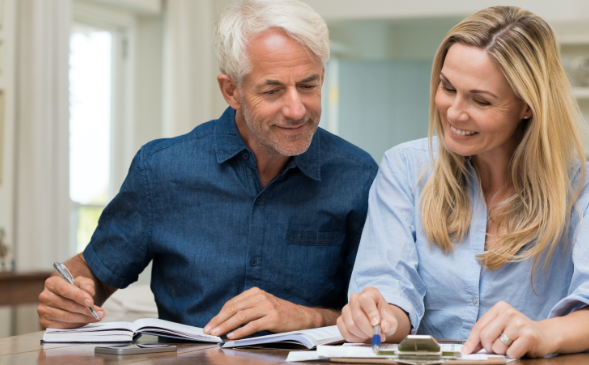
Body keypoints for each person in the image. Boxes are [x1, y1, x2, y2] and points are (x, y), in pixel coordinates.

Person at [38, 0, 378, 340]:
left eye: (308, 85)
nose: (296, 109)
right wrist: (69, 297)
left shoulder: (357, 176)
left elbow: (377, 315)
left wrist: (302, 317)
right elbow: (95, 275)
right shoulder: (160, 169)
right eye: (272, 90)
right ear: (231, 91)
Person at [338, 6, 589, 359]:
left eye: (481, 100)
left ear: (528, 106)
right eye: (447, 87)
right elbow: (392, 293)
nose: (454, 112)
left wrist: (543, 333)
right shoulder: (405, 168)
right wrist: (377, 319)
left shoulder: (582, 188)